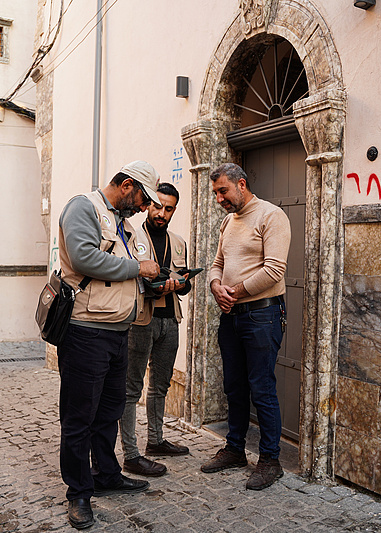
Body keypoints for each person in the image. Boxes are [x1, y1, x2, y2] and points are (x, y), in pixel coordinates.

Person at [56, 161, 162, 529]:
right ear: (127, 184)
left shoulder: (124, 223)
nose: (145, 207)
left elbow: (124, 269)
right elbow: (85, 257)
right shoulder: (83, 207)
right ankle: (79, 493)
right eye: (143, 199)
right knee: (78, 417)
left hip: (118, 332)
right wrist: (139, 269)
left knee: (109, 413)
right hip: (86, 331)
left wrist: (158, 281)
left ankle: (106, 475)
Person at [200, 162, 291, 491]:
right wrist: (215, 286)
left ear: (241, 184)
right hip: (232, 316)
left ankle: (270, 460)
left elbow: (274, 269)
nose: (220, 198)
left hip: (262, 315)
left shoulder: (271, 216)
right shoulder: (227, 222)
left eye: (223, 191)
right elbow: (217, 264)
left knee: (262, 388)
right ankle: (235, 449)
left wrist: (234, 292)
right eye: (215, 193)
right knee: (234, 386)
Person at [119, 182, 192, 477]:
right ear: (149, 204)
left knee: (161, 385)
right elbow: (127, 278)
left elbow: (184, 285)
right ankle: (131, 454)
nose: (162, 213)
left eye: (169, 208)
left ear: (174, 210)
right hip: (140, 321)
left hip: (169, 320)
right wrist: (153, 286)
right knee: (131, 388)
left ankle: (156, 441)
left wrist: (182, 283)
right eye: (158, 206)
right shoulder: (132, 236)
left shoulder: (178, 242)